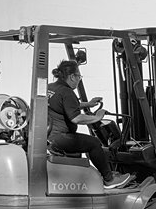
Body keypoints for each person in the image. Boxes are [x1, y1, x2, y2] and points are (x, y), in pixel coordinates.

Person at [47, 60, 131, 190]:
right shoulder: (67, 92)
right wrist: (97, 117)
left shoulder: (51, 87)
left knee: (85, 141)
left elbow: (65, 105)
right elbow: (76, 118)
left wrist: (88, 104)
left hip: (49, 136)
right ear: (72, 77)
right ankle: (109, 179)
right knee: (94, 143)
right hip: (60, 138)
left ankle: (103, 173)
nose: (79, 79)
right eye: (79, 76)